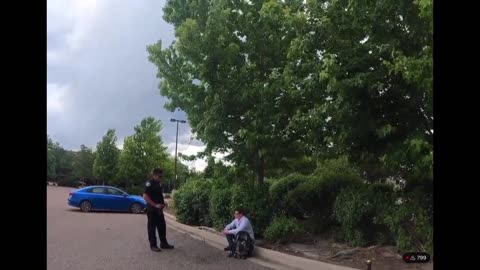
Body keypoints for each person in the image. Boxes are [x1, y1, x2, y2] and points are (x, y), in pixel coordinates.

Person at [143, 168, 174, 252]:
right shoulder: (149, 183)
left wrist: (163, 203)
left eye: (161, 176)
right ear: (154, 175)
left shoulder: (158, 183)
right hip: (152, 209)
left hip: (159, 210)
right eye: (159, 176)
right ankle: (153, 245)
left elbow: (159, 195)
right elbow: (145, 196)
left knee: (162, 227)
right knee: (152, 228)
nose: (161, 178)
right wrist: (155, 205)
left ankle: (163, 243)